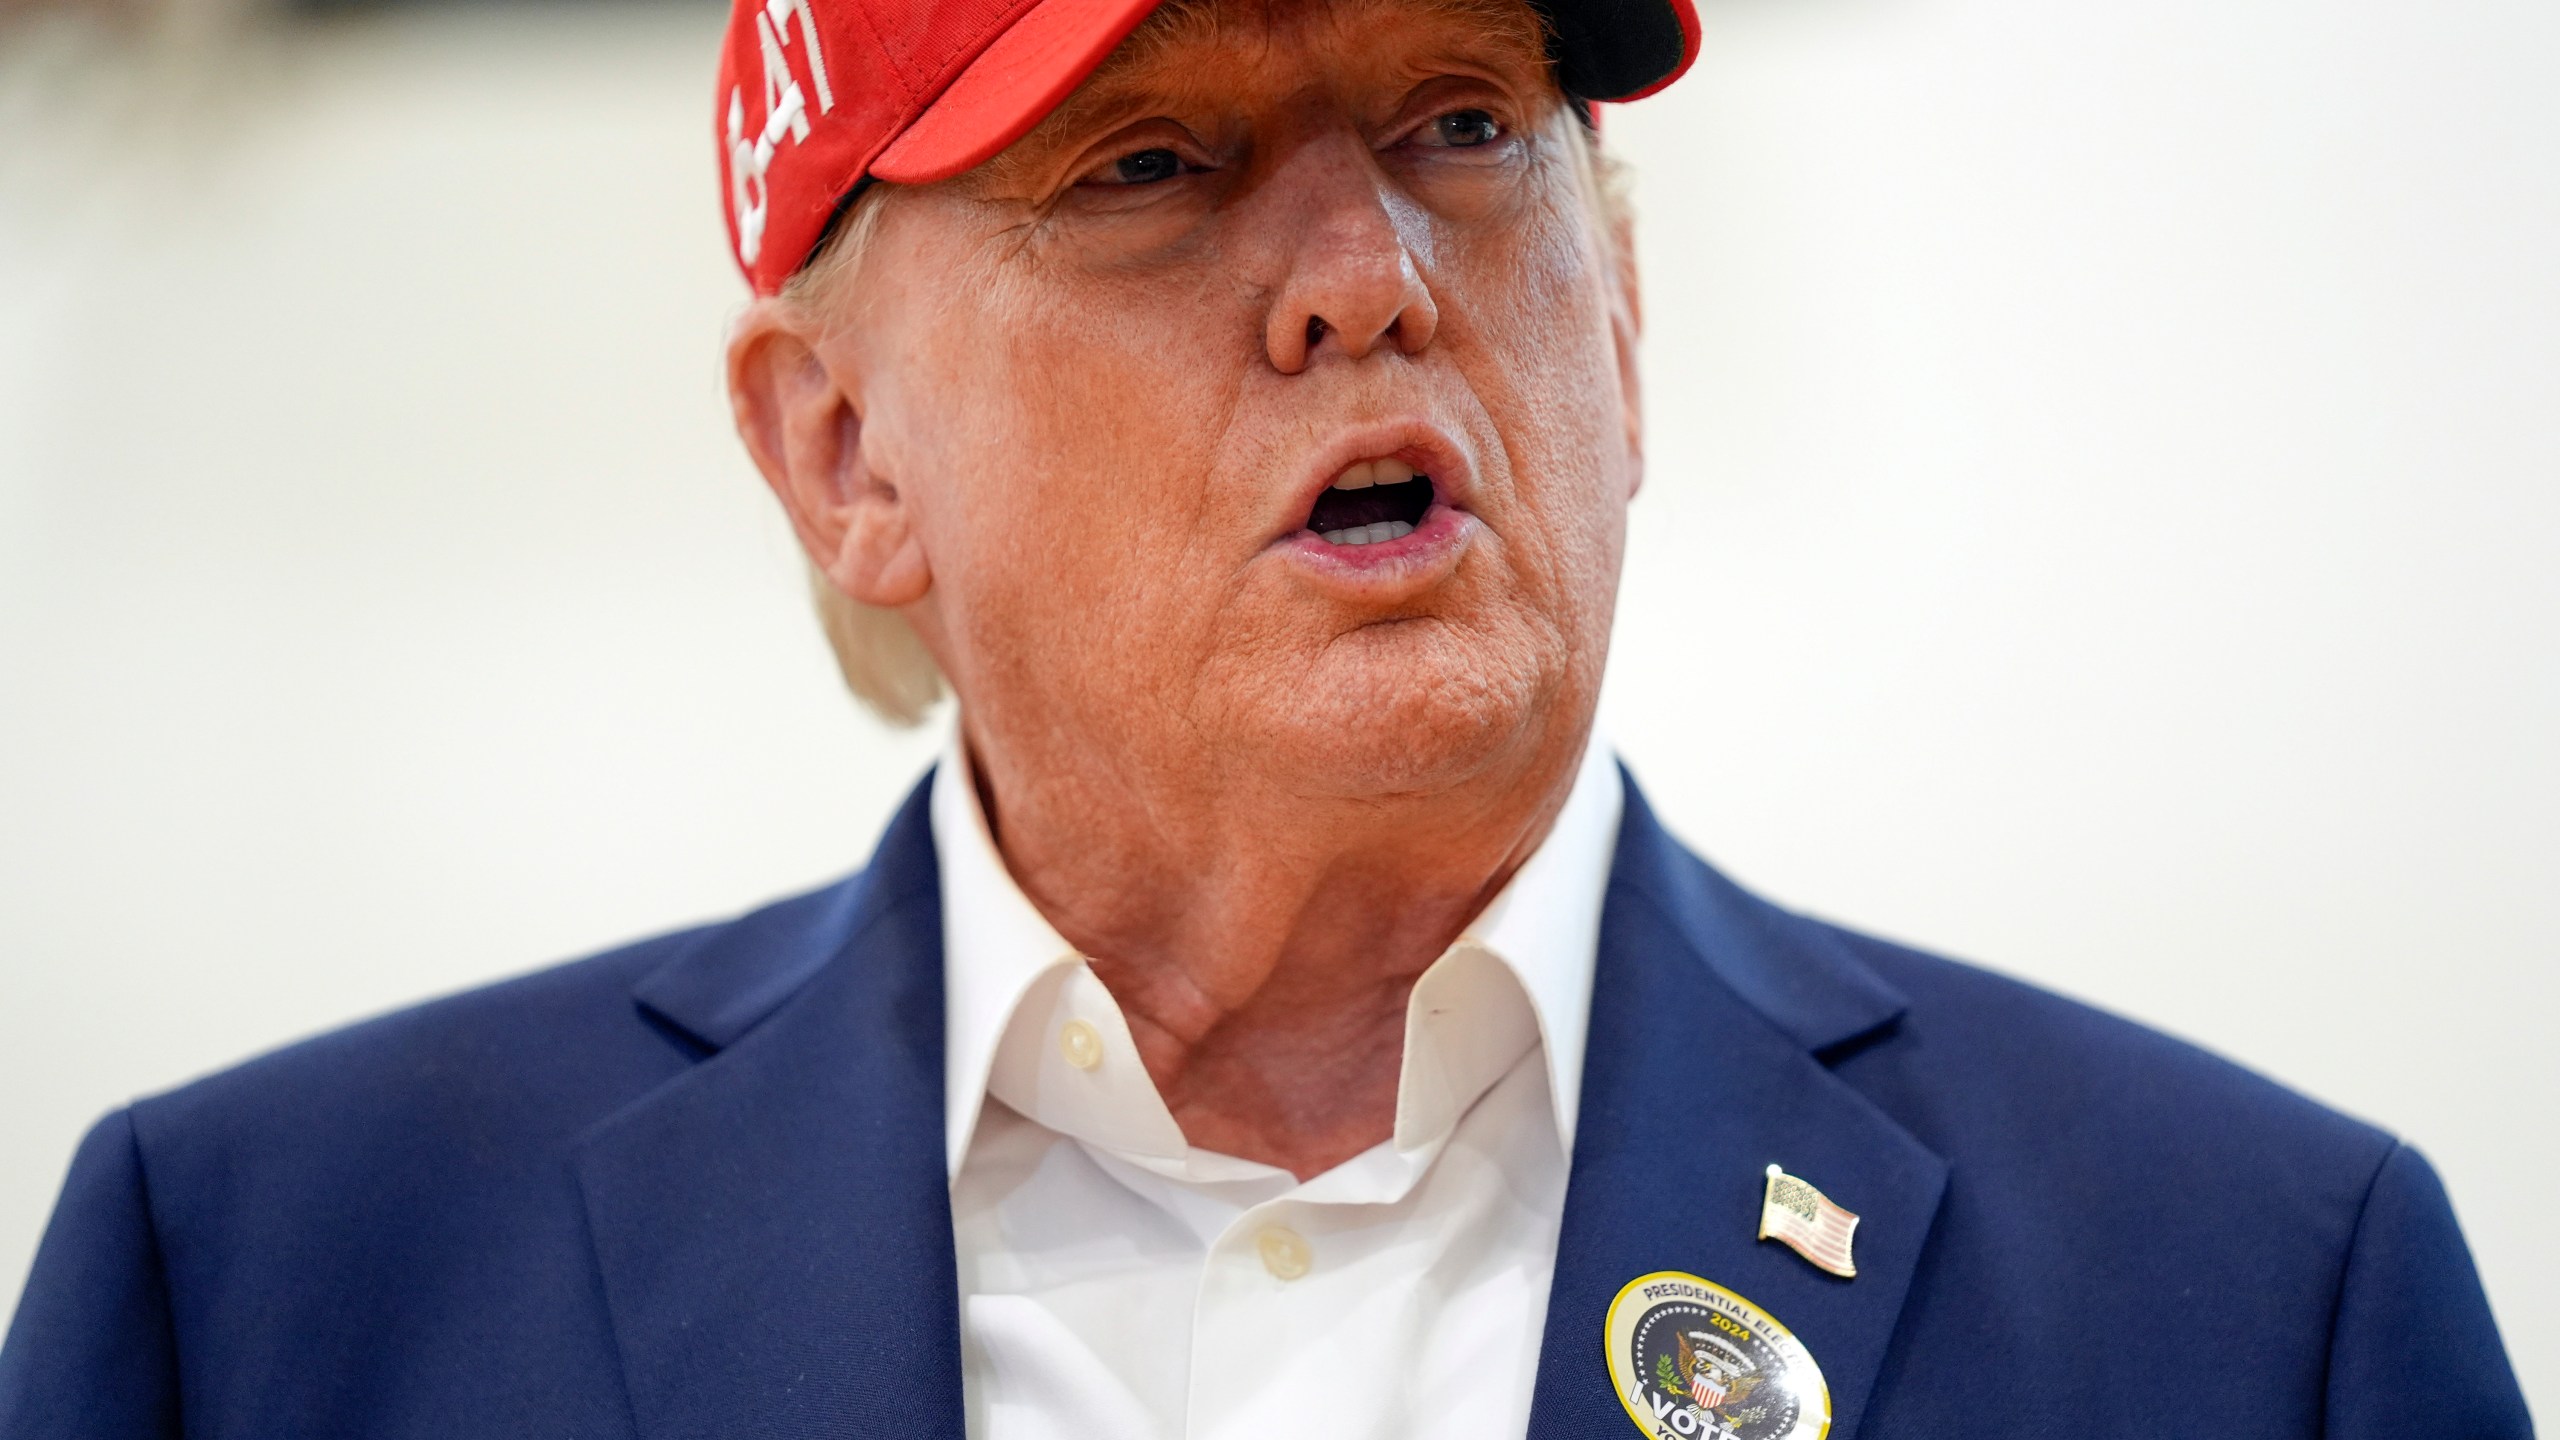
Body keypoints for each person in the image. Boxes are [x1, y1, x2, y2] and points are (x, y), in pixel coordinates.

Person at [0, 0, 2532, 1433]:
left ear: (1622, 334)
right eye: (1151, 161)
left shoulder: (2250, 1305)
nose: (1360, 275)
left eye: (1459, 124)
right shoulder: (265, 1298)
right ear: (844, 454)